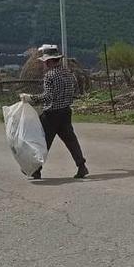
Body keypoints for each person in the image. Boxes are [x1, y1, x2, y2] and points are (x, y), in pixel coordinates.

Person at [20, 44, 87, 179]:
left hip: (51, 114)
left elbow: (48, 96)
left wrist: (31, 98)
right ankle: (81, 166)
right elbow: (75, 91)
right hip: (65, 111)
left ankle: (36, 169)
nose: (44, 64)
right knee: (71, 140)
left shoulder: (50, 76)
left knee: (42, 142)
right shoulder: (67, 73)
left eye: (45, 62)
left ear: (49, 61)